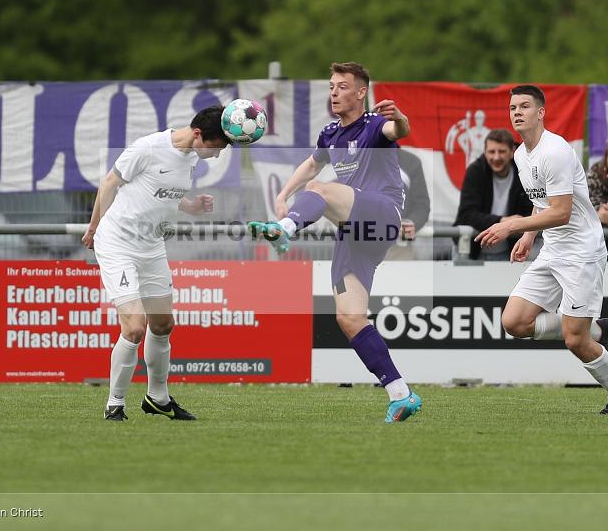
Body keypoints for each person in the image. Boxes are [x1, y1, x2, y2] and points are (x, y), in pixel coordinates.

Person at [248, 61, 421, 423]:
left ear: (361, 92)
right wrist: (283, 193)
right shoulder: (330, 133)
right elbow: (312, 164)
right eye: (331, 87)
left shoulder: (375, 125)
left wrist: (402, 118)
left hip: (383, 214)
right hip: (356, 231)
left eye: (342, 86)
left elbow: (398, 128)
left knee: (319, 190)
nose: (334, 93)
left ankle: (287, 230)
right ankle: (400, 394)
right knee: (349, 317)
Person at [475, 85, 608, 414]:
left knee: (575, 340)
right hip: (553, 249)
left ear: (541, 113)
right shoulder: (521, 154)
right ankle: (597, 329)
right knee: (514, 322)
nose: (516, 112)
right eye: (512, 107)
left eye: (524, 106)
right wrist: (530, 236)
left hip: (581, 252)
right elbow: (542, 204)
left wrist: (512, 225)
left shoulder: (555, 151)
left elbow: (561, 212)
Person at [82, 105, 230, 422]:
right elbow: (109, 183)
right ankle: (114, 404)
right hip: (118, 243)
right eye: (215, 149)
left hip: (151, 246)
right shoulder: (147, 148)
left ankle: (157, 399)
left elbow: (165, 196)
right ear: (198, 135)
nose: (216, 157)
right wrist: (95, 228)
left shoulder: (191, 158)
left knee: (163, 324)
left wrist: (192, 207)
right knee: (135, 327)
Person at [453, 129, 533, 260]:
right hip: (471, 252)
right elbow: (467, 214)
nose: (496, 157)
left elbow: (532, 211)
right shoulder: (475, 171)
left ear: (512, 152)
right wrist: (504, 221)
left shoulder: (524, 172)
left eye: (501, 151)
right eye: (491, 152)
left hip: (511, 252)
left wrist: (515, 224)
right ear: (484, 152)